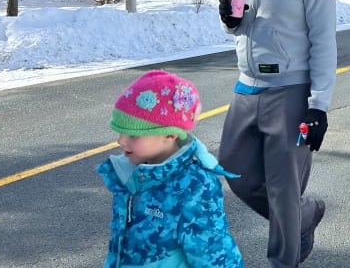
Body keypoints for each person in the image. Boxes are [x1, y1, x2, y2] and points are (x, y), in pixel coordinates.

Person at [217, 0, 337, 267]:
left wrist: (319, 104)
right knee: (233, 171)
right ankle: (303, 215)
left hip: (290, 89)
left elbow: (323, 39)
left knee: (283, 187)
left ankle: (283, 258)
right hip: (246, 85)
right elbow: (240, 21)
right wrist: (232, 21)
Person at [97, 70, 243, 268]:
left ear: (170, 134)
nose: (121, 141)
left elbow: (212, 253)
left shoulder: (195, 186)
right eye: (120, 132)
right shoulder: (136, 173)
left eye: (133, 135)